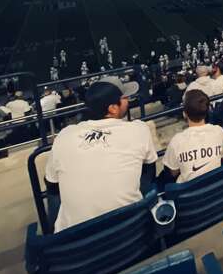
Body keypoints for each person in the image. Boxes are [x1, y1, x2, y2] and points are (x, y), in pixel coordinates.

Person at [44, 77, 157, 232]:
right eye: (124, 98)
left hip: (74, 245)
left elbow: (51, 186)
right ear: (113, 108)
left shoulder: (64, 136)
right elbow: (149, 176)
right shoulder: (139, 129)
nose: (127, 101)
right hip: (131, 234)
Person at [162, 90, 223, 183]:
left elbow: (173, 172)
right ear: (208, 110)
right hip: (215, 187)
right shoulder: (218, 131)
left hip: (190, 194)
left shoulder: (177, 141)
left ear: (184, 114)